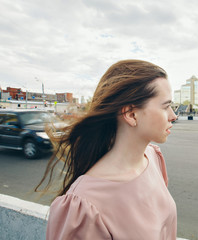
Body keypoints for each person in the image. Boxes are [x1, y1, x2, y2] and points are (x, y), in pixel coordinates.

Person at [36, 59, 178, 240]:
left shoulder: (154, 157)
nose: (173, 116)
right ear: (131, 114)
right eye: (166, 106)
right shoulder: (84, 205)